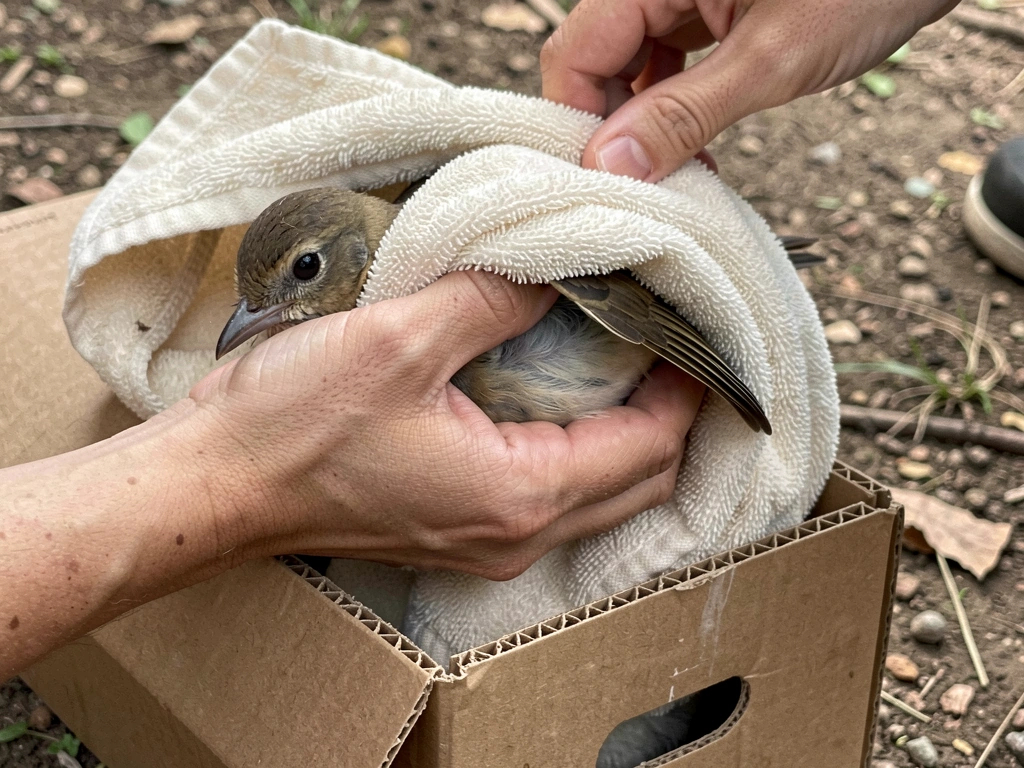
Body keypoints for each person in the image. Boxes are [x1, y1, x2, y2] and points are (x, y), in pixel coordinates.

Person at [0, 0, 957, 682]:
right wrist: (237, 473)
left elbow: (597, 270)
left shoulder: (432, 250)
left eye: (296, 281)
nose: (252, 325)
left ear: (343, 247)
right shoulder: (348, 302)